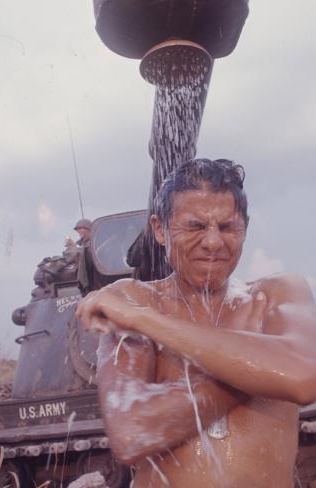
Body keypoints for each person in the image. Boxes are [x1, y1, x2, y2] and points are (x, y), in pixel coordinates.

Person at [77, 159, 316, 488]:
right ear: (160, 229)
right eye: (195, 226)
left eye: (228, 227)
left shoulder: (277, 292)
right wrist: (260, 372)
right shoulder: (133, 298)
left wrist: (148, 323)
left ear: (245, 228)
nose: (214, 242)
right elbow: (132, 432)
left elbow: (304, 377)